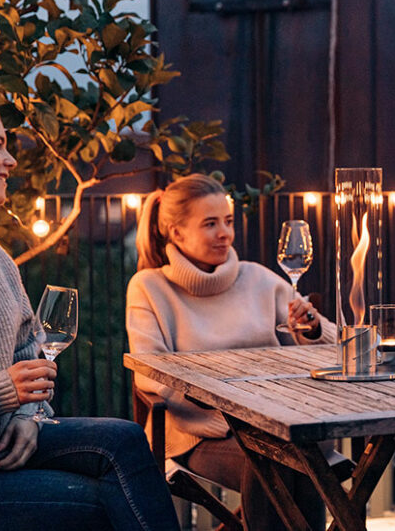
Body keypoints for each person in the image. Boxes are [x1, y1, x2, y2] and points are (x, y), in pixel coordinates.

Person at [0, 89, 180, 531]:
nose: (11, 160)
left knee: (126, 439)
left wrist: (28, 416)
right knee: (98, 507)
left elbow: (27, 357)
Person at [127, 173, 338, 530]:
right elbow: (147, 371)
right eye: (210, 224)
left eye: (227, 221)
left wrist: (311, 327)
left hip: (278, 424)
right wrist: (213, 400)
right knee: (281, 460)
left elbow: (333, 345)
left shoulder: (257, 278)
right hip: (197, 434)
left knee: (301, 453)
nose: (225, 233)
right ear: (176, 232)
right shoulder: (150, 287)